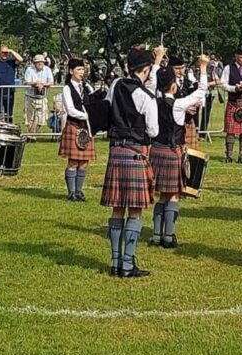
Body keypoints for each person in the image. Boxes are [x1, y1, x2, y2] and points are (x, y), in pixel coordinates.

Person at [100, 45, 164, 278]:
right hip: (135, 153)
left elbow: (106, 107)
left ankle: (115, 262)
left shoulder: (116, 85)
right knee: (135, 212)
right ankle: (128, 264)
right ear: (146, 70)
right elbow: (154, 131)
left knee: (118, 208)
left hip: (116, 151)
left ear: (129, 67)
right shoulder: (146, 97)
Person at [149, 55, 209, 248]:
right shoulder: (177, 105)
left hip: (156, 151)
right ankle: (169, 236)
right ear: (173, 86)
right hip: (171, 151)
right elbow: (201, 92)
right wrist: (203, 67)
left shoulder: (152, 100)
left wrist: (157, 61)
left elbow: (151, 79)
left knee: (161, 196)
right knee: (173, 194)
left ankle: (157, 236)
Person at [59, 59, 98, 202]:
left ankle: (79, 191)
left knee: (84, 162)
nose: (81, 72)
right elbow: (70, 109)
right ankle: (71, 192)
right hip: (74, 125)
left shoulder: (87, 87)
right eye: (78, 69)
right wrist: (87, 115)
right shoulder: (67, 88)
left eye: (83, 69)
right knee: (73, 162)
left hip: (86, 127)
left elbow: (93, 103)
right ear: (71, 71)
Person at [0, 45, 22, 121]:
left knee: (9, 115)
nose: (5, 54)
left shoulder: (11, 62)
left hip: (10, 92)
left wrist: (11, 51)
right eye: (3, 52)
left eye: (6, 52)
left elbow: (20, 59)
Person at [24, 54, 54, 134]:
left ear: (44, 63)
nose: (40, 63)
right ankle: (32, 135)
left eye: (42, 62)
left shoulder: (47, 70)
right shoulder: (29, 69)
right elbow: (27, 82)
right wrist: (35, 83)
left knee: (41, 118)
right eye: (37, 62)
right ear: (34, 63)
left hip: (42, 97)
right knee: (29, 118)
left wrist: (43, 84)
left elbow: (51, 82)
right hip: (30, 96)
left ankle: (31, 135)